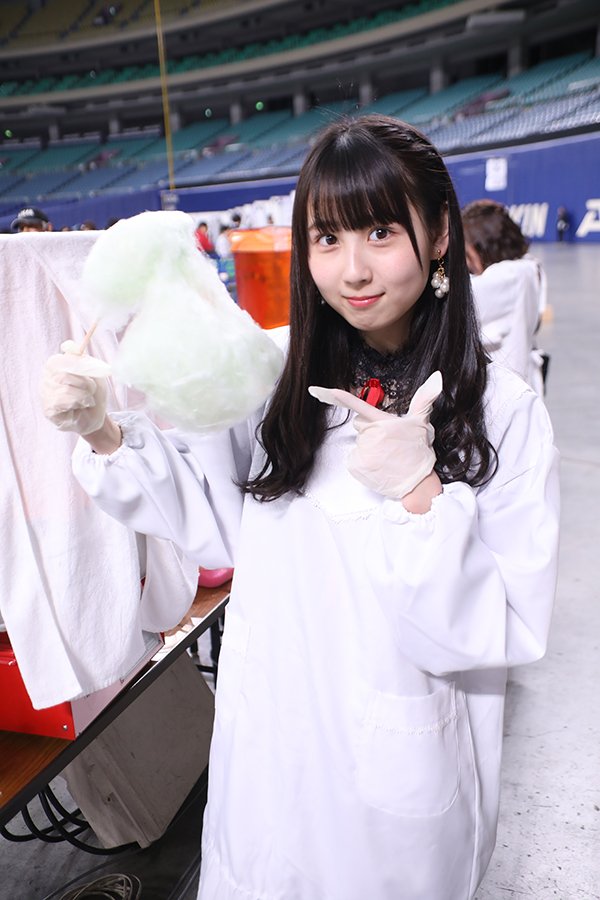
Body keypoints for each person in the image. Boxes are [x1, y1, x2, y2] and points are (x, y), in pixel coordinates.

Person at [40, 115, 559, 900]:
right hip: (268, 765)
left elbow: (502, 627)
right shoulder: (273, 374)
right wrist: (104, 431)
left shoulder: (502, 412)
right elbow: (215, 523)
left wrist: (419, 497)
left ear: (440, 233)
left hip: (396, 783)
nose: (353, 269)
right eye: (326, 238)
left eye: (380, 232)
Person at [462, 199, 548, 395]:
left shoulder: (508, 277)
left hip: (504, 394)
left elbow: (454, 302)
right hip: (522, 386)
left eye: (467, 253)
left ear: (484, 246)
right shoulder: (529, 268)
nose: (466, 263)